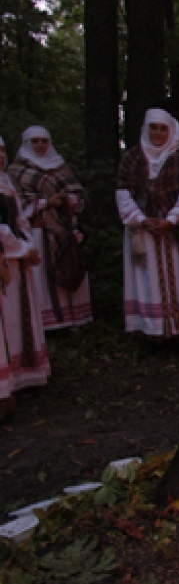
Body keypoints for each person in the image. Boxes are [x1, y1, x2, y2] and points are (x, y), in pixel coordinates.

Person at [116, 108, 179, 339]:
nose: (158, 133)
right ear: (146, 128)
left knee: (178, 273)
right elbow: (123, 192)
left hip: (171, 228)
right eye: (154, 127)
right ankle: (151, 330)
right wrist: (141, 219)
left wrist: (172, 219)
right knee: (145, 276)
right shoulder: (131, 158)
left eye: (163, 128)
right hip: (142, 226)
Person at [8, 126, 92, 330]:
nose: (39, 145)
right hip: (36, 230)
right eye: (35, 141)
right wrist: (45, 203)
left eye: (43, 141)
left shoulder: (59, 166)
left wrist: (67, 201)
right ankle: (46, 324)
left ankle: (72, 321)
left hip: (61, 229)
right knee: (41, 276)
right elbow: (15, 204)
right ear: (27, 143)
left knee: (67, 265)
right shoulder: (15, 171)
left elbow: (77, 194)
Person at [0, 136, 50, 421]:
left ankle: (22, 376)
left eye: (3, 151)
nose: (0, 156)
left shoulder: (6, 183)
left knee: (19, 319)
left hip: (18, 258)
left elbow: (20, 220)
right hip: (5, 260)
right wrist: (20, 249)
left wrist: (29, 246)